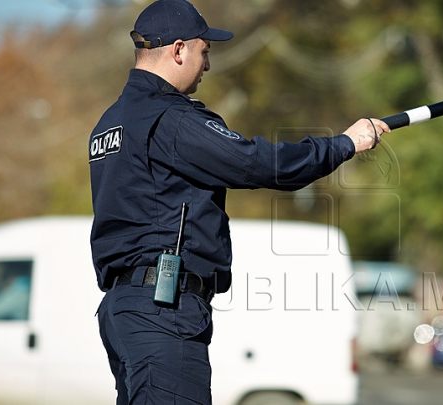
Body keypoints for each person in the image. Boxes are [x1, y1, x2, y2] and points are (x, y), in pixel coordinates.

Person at [89, 0, 389, 404]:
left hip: (126, 310)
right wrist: (344, 144)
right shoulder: (170, 118)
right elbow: (259, 165)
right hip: (162, 311)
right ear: (178, 50)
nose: (207, 66)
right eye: (204, 52)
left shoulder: (110, 123)